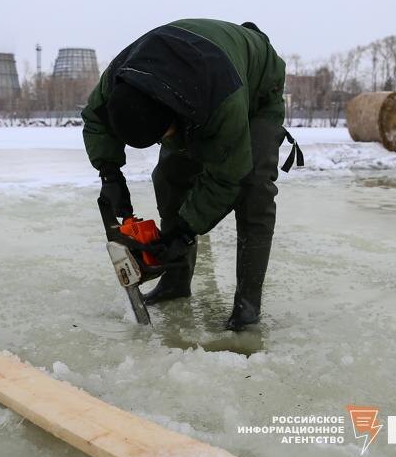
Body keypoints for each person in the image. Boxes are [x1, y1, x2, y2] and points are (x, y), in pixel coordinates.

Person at [81, 18, 302, 331]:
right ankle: (176, 281)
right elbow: (95, 118)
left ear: (176, 112)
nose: (166, 141)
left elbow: (227, 177)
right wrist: (110, 173)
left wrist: (183, 231)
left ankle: (248, 305)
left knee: (254, 191)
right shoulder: (121, 75)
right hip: (189, 79)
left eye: (165, 134)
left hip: (255, 89)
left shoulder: (221, 98)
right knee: (169, 176)